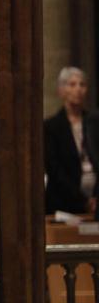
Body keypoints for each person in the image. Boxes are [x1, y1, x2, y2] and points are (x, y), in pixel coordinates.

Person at [45, 66, 99, 216]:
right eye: (72, 84)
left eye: (82, 85)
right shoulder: (51, 126)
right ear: (62, 90)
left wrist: (95, 199)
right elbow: (54, 168)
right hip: (65, 203)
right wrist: (84, 201)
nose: (78, 89)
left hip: (95, 199)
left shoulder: (94, 122)